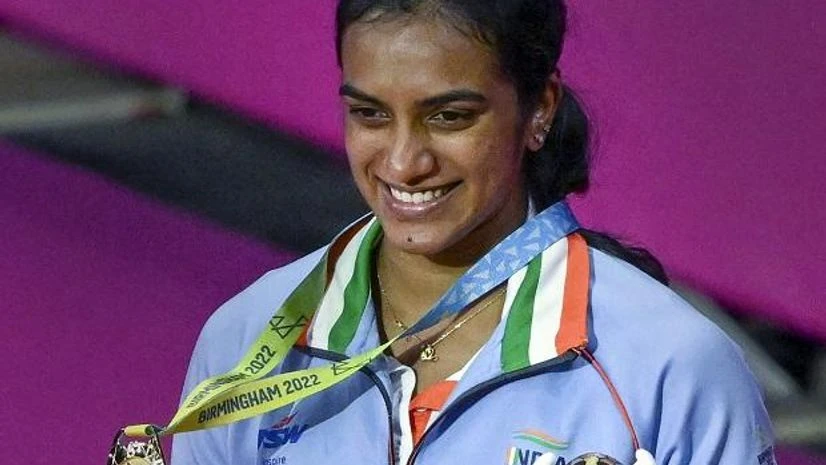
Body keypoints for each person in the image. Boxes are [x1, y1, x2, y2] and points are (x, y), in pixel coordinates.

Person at [170, 1, 776, 464]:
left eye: (450, 117)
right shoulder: (247, 342)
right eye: (369, 114)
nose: (404, 163)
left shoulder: (672, 370)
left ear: (539, 108)